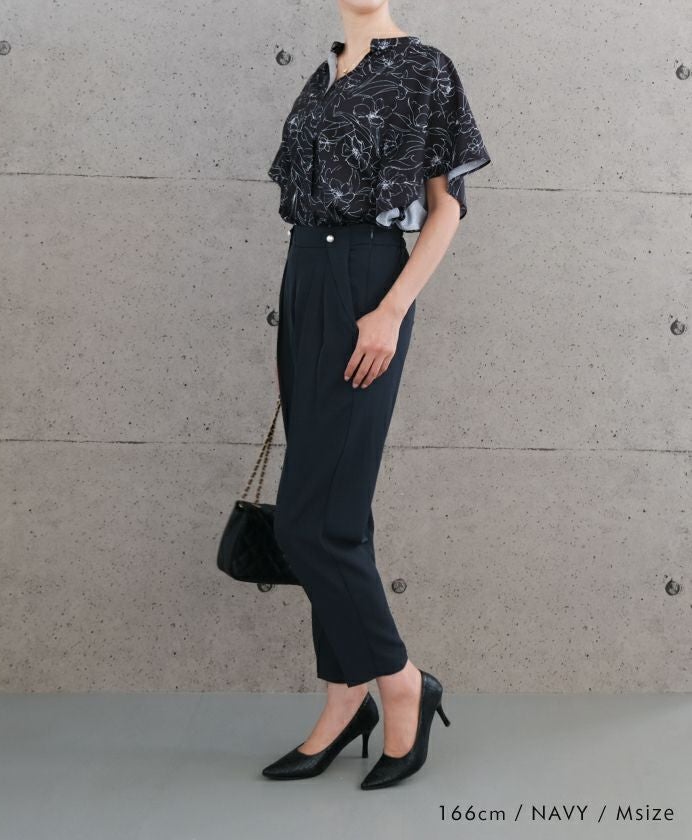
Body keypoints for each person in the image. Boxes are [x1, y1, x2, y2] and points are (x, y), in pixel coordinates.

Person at [261, 0, 491, 789]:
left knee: (310, 523)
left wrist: (390, 311)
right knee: (340, 517)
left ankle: (401, 683)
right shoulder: (322, 74)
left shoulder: (425, 68)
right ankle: (342, 699)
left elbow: (447, 207)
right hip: (304, 283)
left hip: (367, 280)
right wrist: (296, 325)